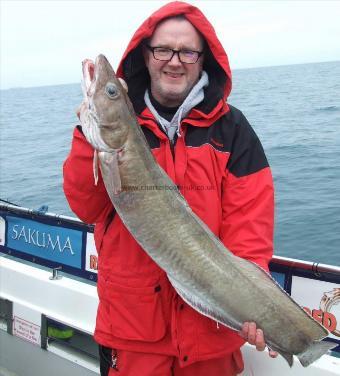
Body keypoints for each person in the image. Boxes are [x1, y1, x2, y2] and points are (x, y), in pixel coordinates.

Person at [63, 1, 277, 375]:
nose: (174, 61)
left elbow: (250, 226)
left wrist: (253, 300)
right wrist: (88, 136)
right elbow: (85, 206)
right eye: (163, 49)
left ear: (202, 58)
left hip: (212, 341)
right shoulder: (110, 136)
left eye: (187, 51)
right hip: (133, 339)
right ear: (145, 56)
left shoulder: (234, 130)